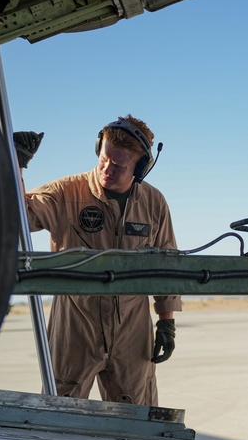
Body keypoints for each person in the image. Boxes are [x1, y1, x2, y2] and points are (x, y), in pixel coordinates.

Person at [17, 117, 182, 403]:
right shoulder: (65, 193)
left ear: (140, 168)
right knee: (59, 414)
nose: (107, 169)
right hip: (74, 325)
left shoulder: (154, 203)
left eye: (118, 166)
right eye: (104, 159)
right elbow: (16, 213)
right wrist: (14, 165)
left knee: (137, 420)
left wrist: (166, 322)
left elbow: (166, 264)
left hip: (132, 328)